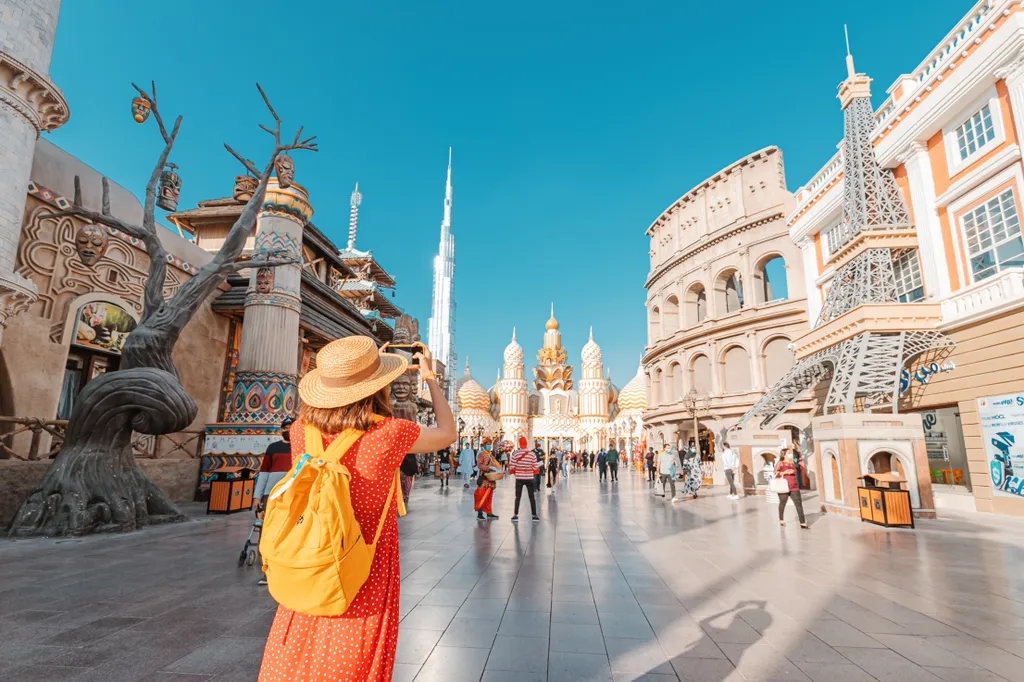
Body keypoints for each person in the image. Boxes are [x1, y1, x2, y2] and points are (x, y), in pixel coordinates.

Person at [258, 336, 456, 682]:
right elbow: (446, 433)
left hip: (311, 555)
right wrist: (429, 378)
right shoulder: (391, 434)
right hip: (365, 562)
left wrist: (361, 371)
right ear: (377, 387)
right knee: (355, 653)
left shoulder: (300, 430)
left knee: (303, 642)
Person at [253, 417, 294, 586]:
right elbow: (264, 472)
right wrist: (257, 496)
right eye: (285, 427)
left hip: (292, 493)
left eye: (291, 427)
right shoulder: (273, 448)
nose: (288, 430)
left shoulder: (300, 447)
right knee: (268, 527)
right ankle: (267, 565)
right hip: (271, 493)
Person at [508, 437, 539, 522]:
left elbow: (512, 466)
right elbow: (535, 466)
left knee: (518, 497)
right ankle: (534, 515)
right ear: (526, 444)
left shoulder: (516, 454)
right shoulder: (532, 454)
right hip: (529, 478)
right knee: (531, 497)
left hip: (519, 478)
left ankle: (515, 515)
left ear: (519, 444)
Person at [775, 449, 808, 528]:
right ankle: (781, 519)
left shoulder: (792, 463)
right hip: (784, 487)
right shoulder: (780, 463)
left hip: (794, 487)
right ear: (784, 454)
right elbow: (776, 473)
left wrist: (792, 470)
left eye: (791, 453)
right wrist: (784, 472)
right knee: (782, 503)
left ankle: (802, 522)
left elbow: (795, 471)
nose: (791, 454)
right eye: (789, 453)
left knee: (798, 504)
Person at [475, 446, 500, 521]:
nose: (489, 446)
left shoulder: (491, 455)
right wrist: (488, 468)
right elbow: (479, 465)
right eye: (488, 444)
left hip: (491, 479)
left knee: (489, 497)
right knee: (481, 496)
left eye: (490, 444)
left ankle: (489, 513)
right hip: (484, 478)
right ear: (484, 446)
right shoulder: (481, 454)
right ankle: (480, 514)